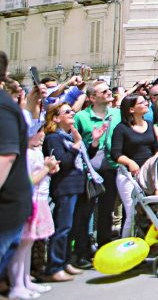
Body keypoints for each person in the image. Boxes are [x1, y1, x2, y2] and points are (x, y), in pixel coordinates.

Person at [7, 119, 58, 299]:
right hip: (30, 200)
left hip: (40, 199)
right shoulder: (25, 154)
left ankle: (25, 281)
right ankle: (17, 285)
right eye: (39, 131)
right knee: (21, 246)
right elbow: (29, 180)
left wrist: (48, 168)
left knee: (28, 244)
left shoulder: (34, 151)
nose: (43, 134)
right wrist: (46, 168)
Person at [72, 79, 120, 255]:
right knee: (85, 212)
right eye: (104, 91)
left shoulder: (117, 114)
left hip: (111, 168)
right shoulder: (81, 117)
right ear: (92, 97)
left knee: (107, 211)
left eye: (109, 90)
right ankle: (82, 251)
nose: (109, 92)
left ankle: (104, 247)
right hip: (88, 172)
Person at [42, 102, 86, 282]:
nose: (72, 113)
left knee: (71, 228)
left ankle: (66, 261)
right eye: (67, 111)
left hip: (77, 185)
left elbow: (82, 159)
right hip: (64, 187)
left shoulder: (68, 136)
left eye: (72, 111)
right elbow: (64, 163)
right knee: (62, 227)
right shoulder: (53, 138)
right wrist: (76, 145)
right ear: (56, 118)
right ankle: (55, 266)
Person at [110, 92, 158, 237]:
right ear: (131, 109)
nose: (146, 103)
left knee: (151, 210)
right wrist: (129, 162)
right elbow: (116, 153)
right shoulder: (121, 128)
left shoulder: (149, 125)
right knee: (132, 211)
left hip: (148, 174)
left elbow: (155, 147)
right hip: (128, 176)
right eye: (141, 102)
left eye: (146, 101)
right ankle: (126, 242)